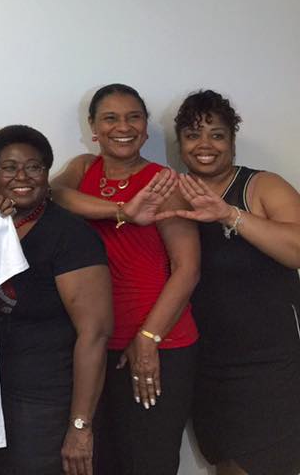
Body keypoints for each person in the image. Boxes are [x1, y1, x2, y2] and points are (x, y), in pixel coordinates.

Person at [51, 83, 200, 475]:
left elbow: (187, 269)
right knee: (101, 462)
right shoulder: (83, 168)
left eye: (134, 117)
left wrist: (148, 339)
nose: (123, 126)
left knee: (147, 462)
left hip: (159, 343)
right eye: (110, 118)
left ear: (146, 128)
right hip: (95, 346)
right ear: (93, 128)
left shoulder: (162, 183)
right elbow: (54, 195)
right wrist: (122, 211)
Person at [158, 90, 300, 475]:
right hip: (205, 361)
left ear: (232, 142)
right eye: (193, 135)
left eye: (217, 135)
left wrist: (228, 214)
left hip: (270, 362)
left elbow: (297, 250)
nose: (204, 145)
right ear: (180, 144)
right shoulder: (172, 194)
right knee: (227, 463)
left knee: (268, 462)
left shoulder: (262, 185)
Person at [0, 125, 112, 475]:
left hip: (47, 402)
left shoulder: (70, 235)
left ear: (46, 173)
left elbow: (95, 334)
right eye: (9, 167)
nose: (21, 176)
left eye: (34, 167)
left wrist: (80, 427)